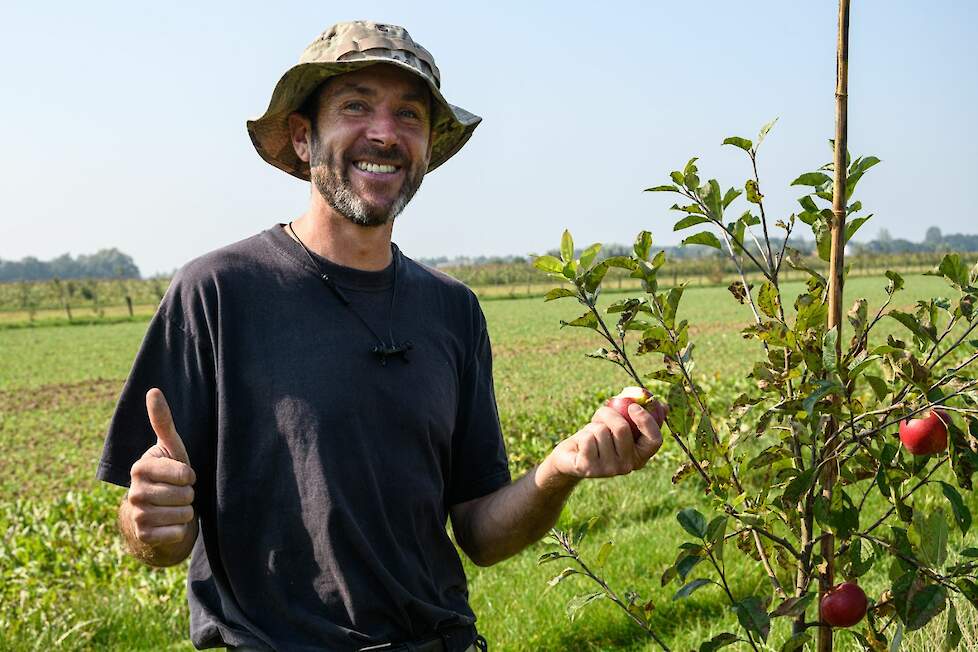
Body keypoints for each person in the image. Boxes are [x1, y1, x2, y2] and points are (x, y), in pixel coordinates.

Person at [97, 20, 666, 652]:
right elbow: (155, 535)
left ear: (426, 148)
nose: (385, 133)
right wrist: (152, 518)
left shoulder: (453, 310)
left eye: (410, 114)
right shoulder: (217, 293)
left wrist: (562, 469)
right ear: (303, 136)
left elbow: (479, 533)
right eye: (355, 106)